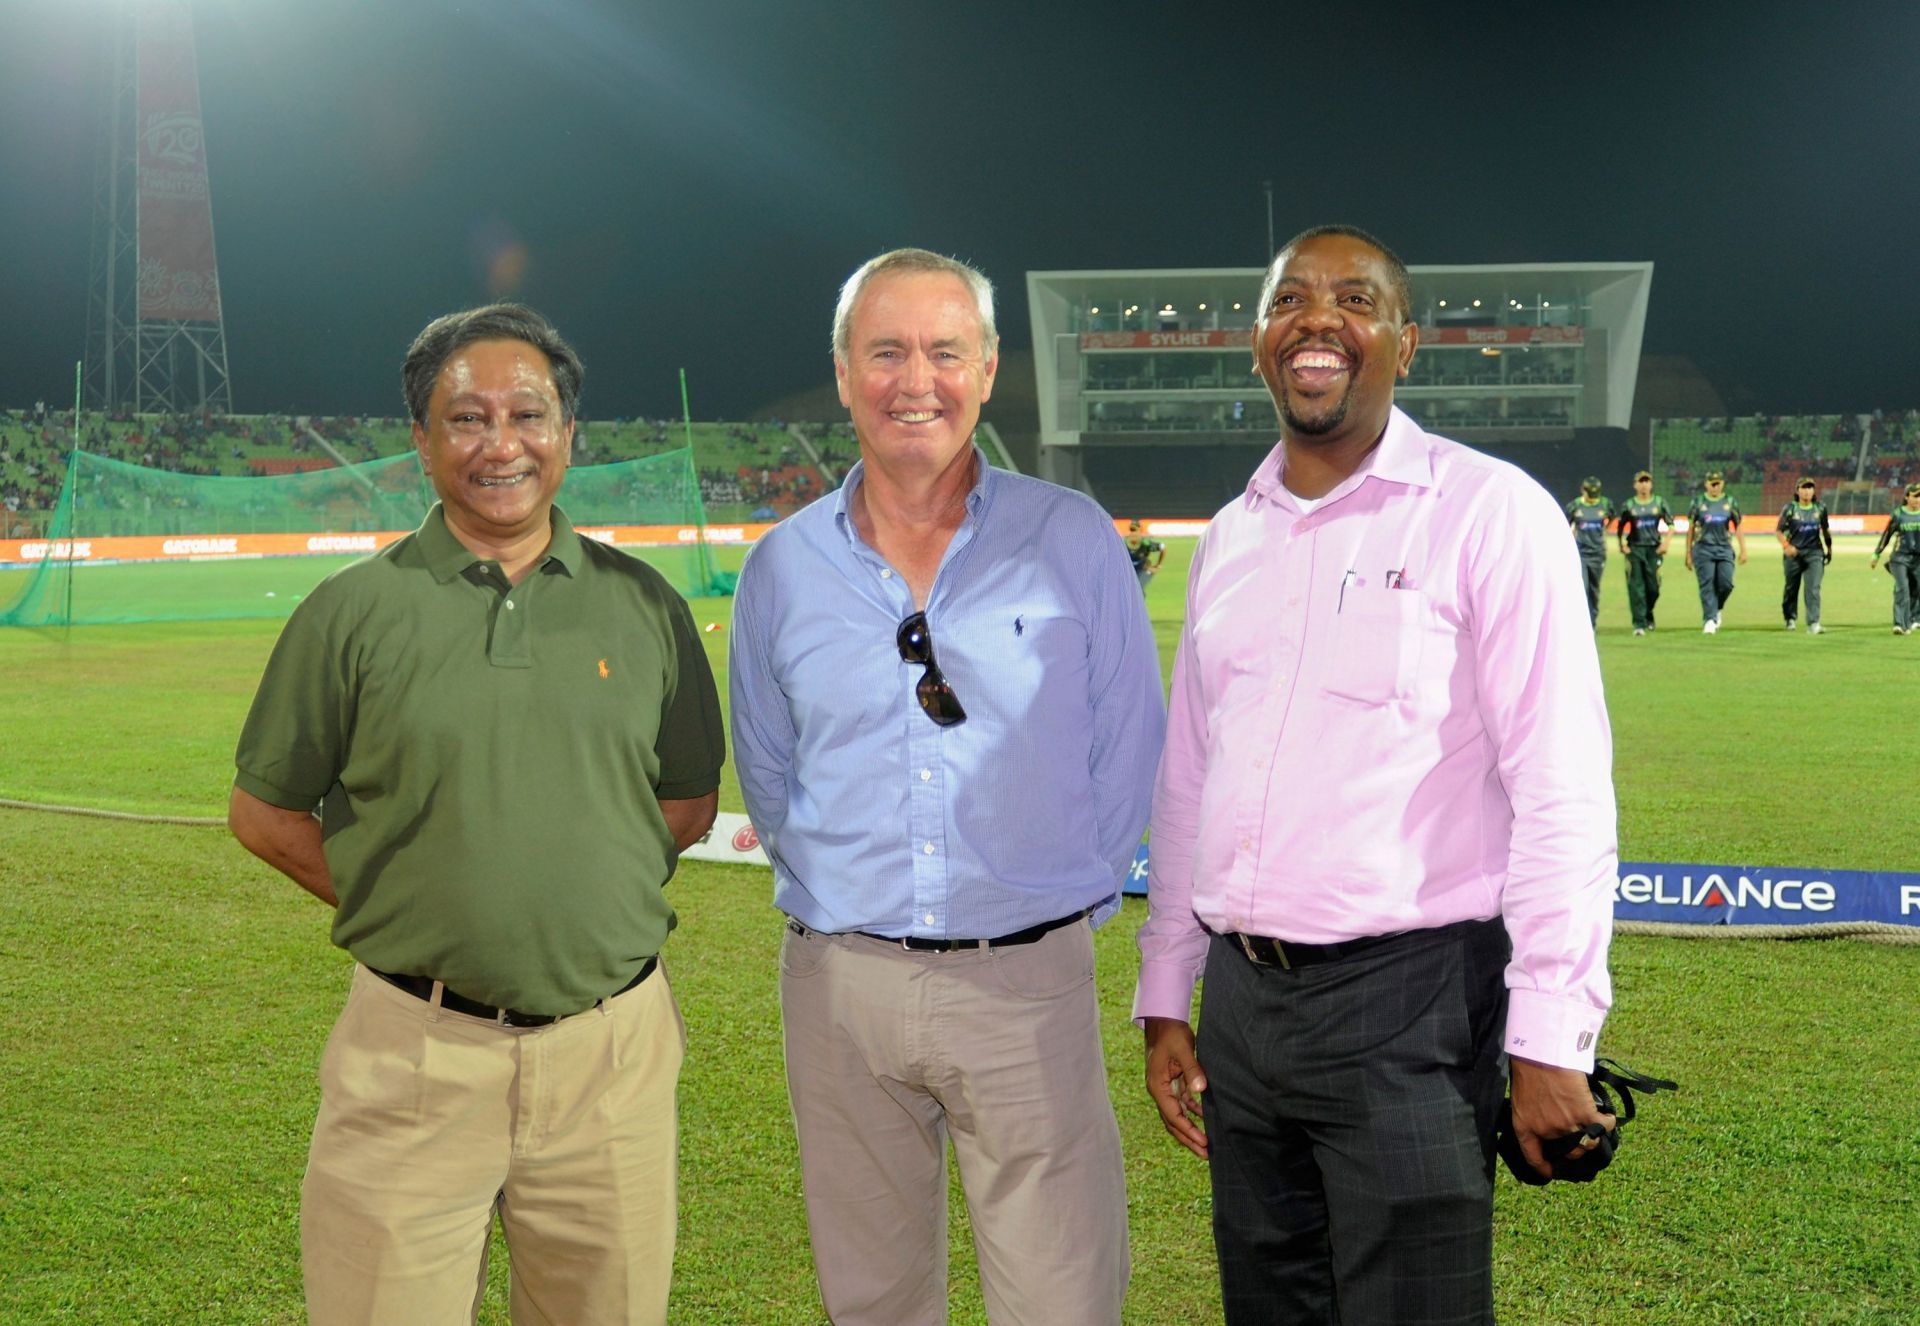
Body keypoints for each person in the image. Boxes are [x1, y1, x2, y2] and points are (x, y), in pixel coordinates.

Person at [1134, 226, 1617, 1325]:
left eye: (1354, 299)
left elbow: (1563, 787)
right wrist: (1170, 992)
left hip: (1414, 1009)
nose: (1318, 320)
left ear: (1406, 342)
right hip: (1245, 1014)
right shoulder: (1230, 539)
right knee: (1271, 1306)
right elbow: (1190, 780)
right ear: (1260, 342)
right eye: (1290, 299)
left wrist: (1549, 1035)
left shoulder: (1489, 511)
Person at [228, 303, 724, 1325]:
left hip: (613, 1059)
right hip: (414, 1053)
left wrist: (563, 889)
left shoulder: (646, 607)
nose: (502, 444)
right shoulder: (351, 612)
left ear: (569, 432)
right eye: (466, 418)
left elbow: (683, 805)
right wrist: (419, 902)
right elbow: (264, 813)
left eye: (529, 414)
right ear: (421, 438)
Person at [730, 248, 1164, 1325]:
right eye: (885, 352)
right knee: (872, 1299)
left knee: (1062, 1299)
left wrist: (1044, 899)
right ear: (842, 373)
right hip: (842, 987)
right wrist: (854, 897)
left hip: (1029, 983)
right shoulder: (782, 567)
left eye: (942, 351)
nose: (913, 379)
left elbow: (1131, 750)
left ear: (988, 367)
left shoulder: (1070, 539)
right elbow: (770, 773)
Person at [1686, 470, 1747, 633]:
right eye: (1711, 483)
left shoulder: (1730, 502)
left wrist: (1743, 549)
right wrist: (1688, 553)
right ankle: (1709, 620)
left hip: (1724, 548)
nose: (1714, 486)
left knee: (1726, 584)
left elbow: (1738, 526)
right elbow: (1691, 528)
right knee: (1707, 585)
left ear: (1722, 484)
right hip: (1703, 548)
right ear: (1706, 484)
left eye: (1717, 483)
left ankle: (1717, 607)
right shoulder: (1698, 502)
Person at [1617, 470, 1673, 636]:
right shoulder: (1629, 505)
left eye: (1646, 481)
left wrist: (1666, 543)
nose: (1644, 485)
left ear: (1651, 484)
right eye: (1640, 482)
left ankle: (1648, 613)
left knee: (1653, 587)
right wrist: (1622, 545)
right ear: (1635, 485)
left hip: (1653, 549)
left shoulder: (1659, 503)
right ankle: (1639, 624)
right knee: (1636, 588)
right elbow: (1620, 528)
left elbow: (1671, 525)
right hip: (1635, 548)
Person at [1776, 477, 1833, 633]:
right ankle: (1790, 618)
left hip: (1814, 552)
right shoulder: (1790, 509)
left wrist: (1829, 549)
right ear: (1797, 490)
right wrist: (1786, 546)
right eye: (1804, 488)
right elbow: (1779, 531)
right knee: (1791, 588)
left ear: (1814, 491)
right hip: (1794, 553)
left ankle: (1813, 623)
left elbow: (1825, 529)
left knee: (1813, 587)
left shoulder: (1820, 508)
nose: (1807, 491)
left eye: (1810, 488)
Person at [1871, 481, 1920, 634]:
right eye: (1915, 496)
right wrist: (1876, 554)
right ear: (1907, 497)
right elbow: (1887, 534)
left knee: (1917, 589)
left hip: (1918, 559)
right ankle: (1900, 624)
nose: (1918, 499)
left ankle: (1915, 619)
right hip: (1899, 558)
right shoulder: (1898, 514)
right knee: (1902, 589)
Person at [1566, 474, 1614, 627]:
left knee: (1594, 589)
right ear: (1582, 490)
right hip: (1580, 554)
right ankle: (1582, 623)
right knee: (1582, 587)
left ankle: (1592, 623)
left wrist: (1604, 529)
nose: (1592, 498)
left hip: (1598, 552)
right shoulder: (1575, 506)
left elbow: (1612, 517)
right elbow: (1565, 526)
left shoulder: (1605, 504)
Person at [1126, 517, 1168, 593]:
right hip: (1129, 571)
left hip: (1143, 570)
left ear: (1139, 531)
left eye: (1135, 530)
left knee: (1138, 590)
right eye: (1132, 530)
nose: (1133, 533)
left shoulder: (1146, 544)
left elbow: (1163, 547)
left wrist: (1158, 565)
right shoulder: (1123, 543)